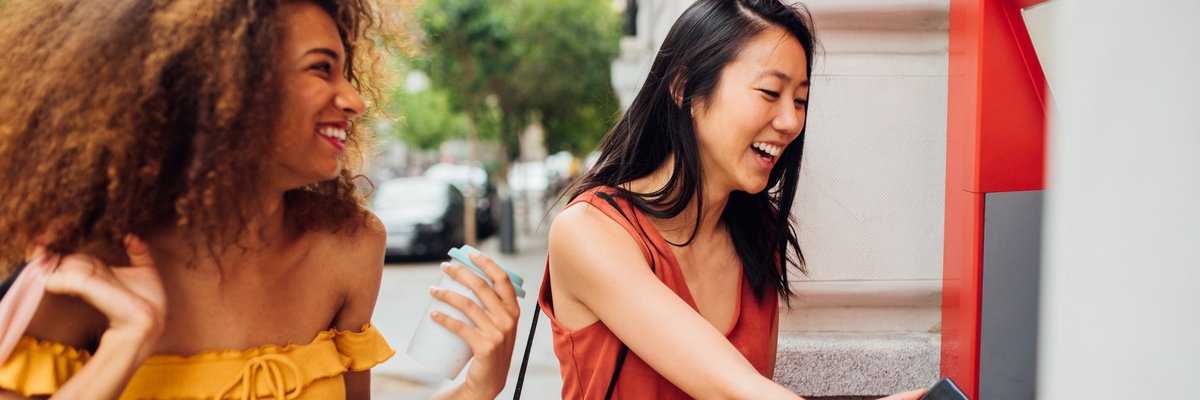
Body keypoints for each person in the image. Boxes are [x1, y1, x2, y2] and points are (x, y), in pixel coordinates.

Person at [0, 0, 519, 399]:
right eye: (321, 68)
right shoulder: (82, 268)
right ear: (224, 83)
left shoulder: (350, 246)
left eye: (346, 70)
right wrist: (128, 342)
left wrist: (476, 386)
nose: (356, 100)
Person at [540, 0, 925, 398]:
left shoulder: (758, 238)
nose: (791, 121)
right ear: (684, 87)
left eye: (800, 100)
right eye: (770, 92)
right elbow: (735, 391)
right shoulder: (589, 231)